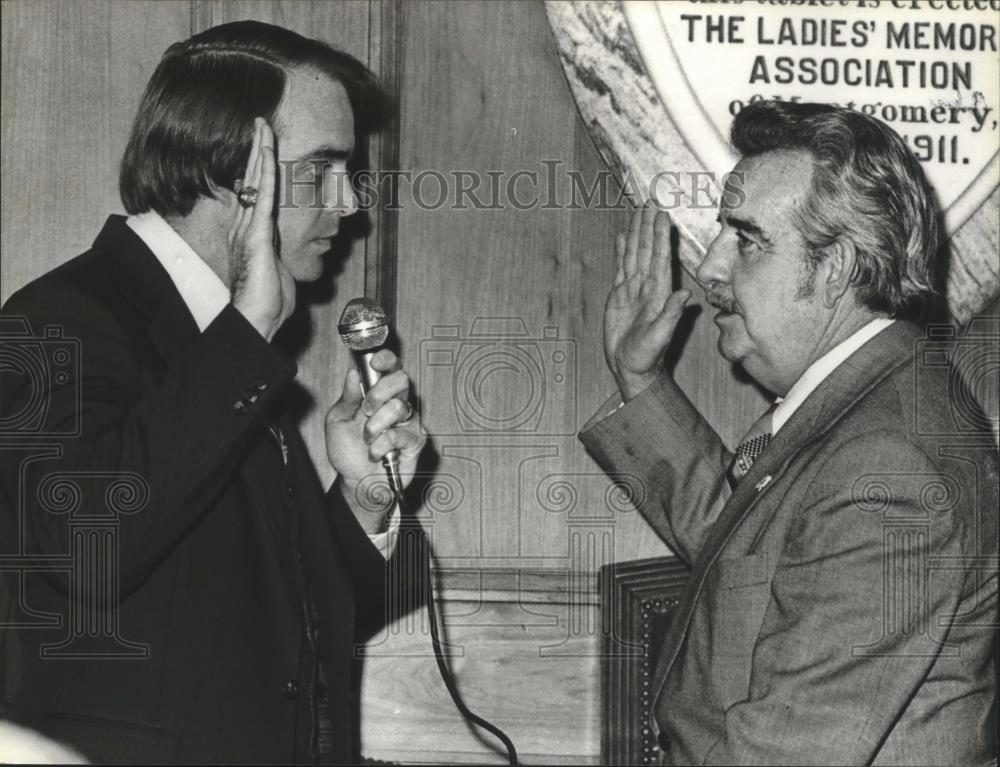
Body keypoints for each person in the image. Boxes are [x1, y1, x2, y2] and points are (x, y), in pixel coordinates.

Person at [0, 21, 425, 764]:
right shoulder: (55, 319)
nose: (349, 203)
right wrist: (249, 328)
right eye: (321, 167)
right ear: (230, 172)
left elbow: (287, 630)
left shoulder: (227, 344)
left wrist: (361, 500)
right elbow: (83, 548)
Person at [580, 101, 997, 765]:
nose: (709, 269)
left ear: (836, 269)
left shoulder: (891, 471)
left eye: (746, 241)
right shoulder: (873, 406)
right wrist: (640, 378)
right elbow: (752, 543)